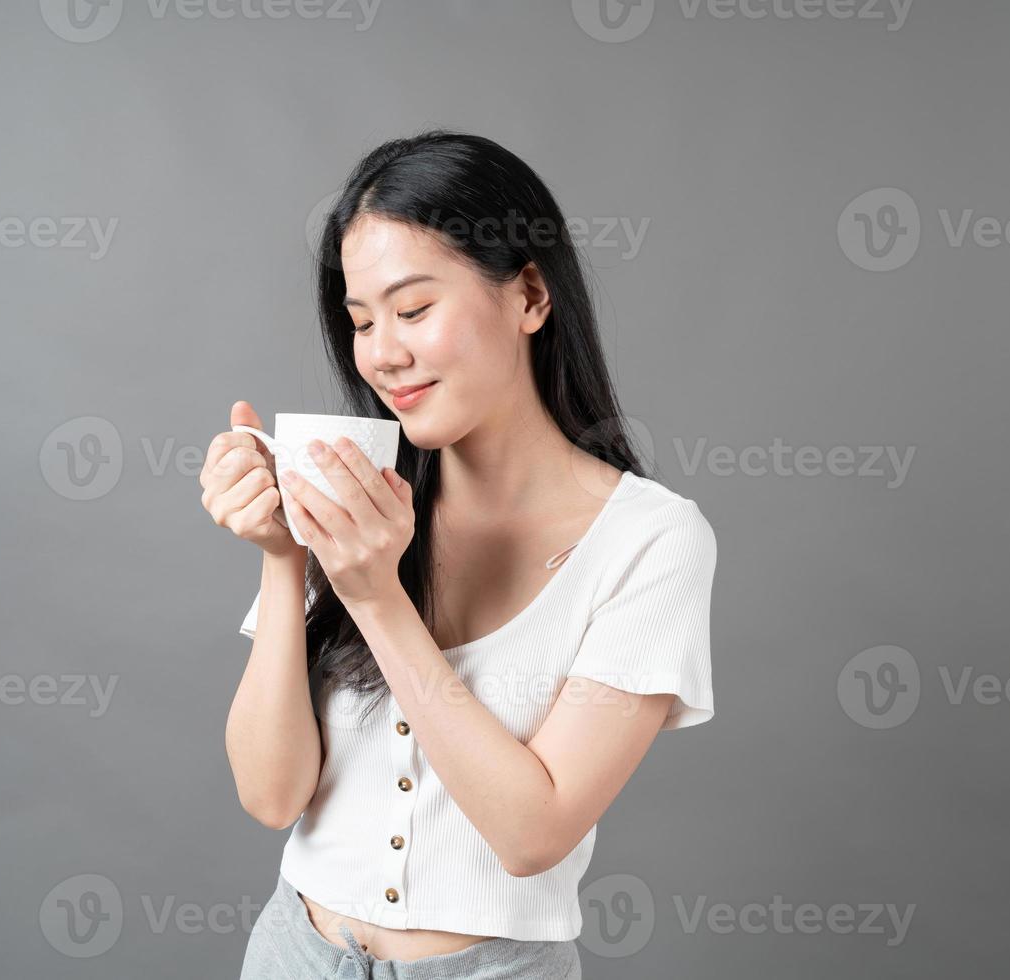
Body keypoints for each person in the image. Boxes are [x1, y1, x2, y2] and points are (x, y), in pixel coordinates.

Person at [201, 130, 718, 979]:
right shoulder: (357, 494)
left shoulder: (651, 542)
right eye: (361, 322)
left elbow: (531, 834)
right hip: (295, 952)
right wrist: (284, 554)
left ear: (530, 295)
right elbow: (271, 796)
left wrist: (376, 598)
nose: (382, 354)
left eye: (412, 310)